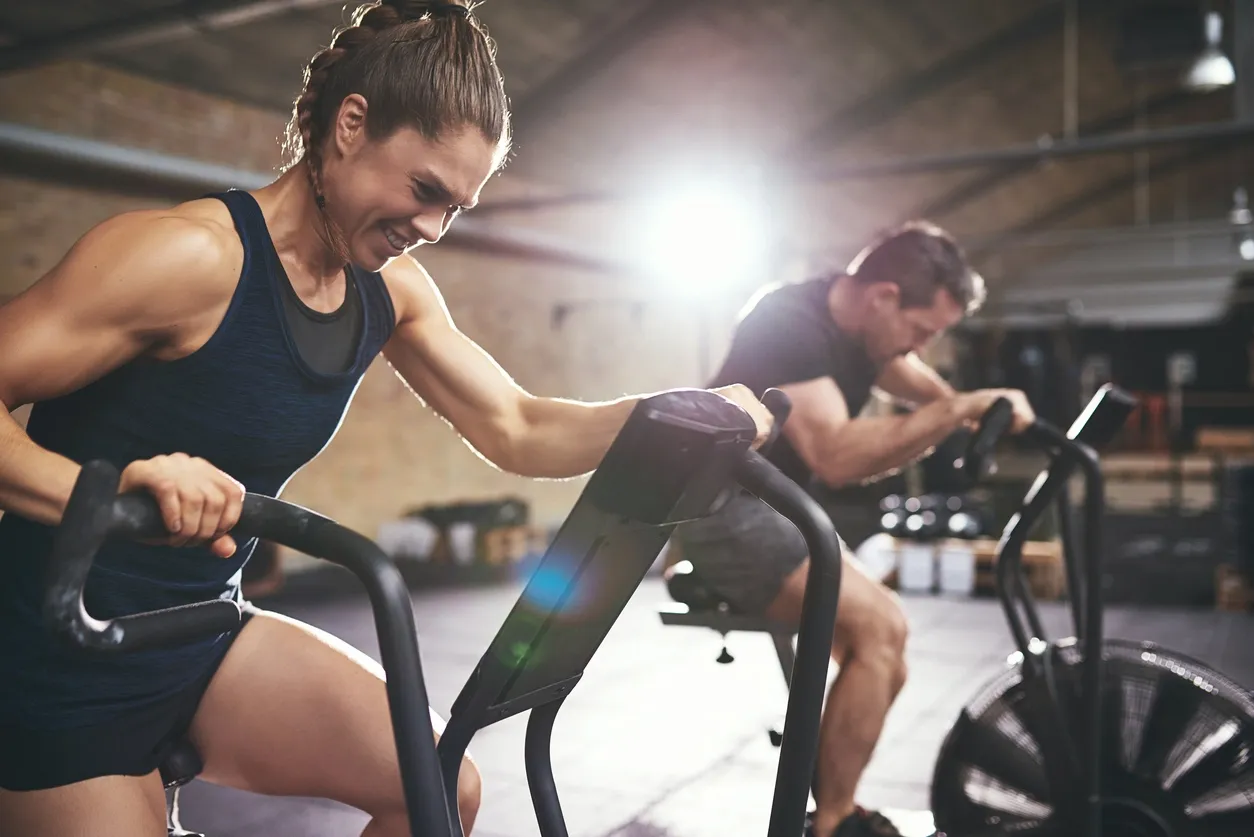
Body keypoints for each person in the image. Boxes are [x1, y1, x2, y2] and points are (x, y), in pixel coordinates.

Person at [0, 3, 775, 836]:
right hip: (57, 647)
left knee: (441, 787)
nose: (434, 228)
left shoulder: (387, 295)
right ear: (351, 125)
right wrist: (108, 488)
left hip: (201, 630)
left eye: (457, 209)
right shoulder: (185, 258)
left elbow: (517, 425)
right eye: (425, 190)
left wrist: (676, 413)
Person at [671, 221, 1035, 837]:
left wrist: (975, 410)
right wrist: (954, 412)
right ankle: (832, 823)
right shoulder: (789, 322)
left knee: (886, 657)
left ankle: (830, 800)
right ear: (883, 297)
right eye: (921, 331)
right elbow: (836, 457)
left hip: (775, 505)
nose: (918, 346)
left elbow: (918, 382)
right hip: (720, 508)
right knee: (880, 629)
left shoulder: (864, 335)